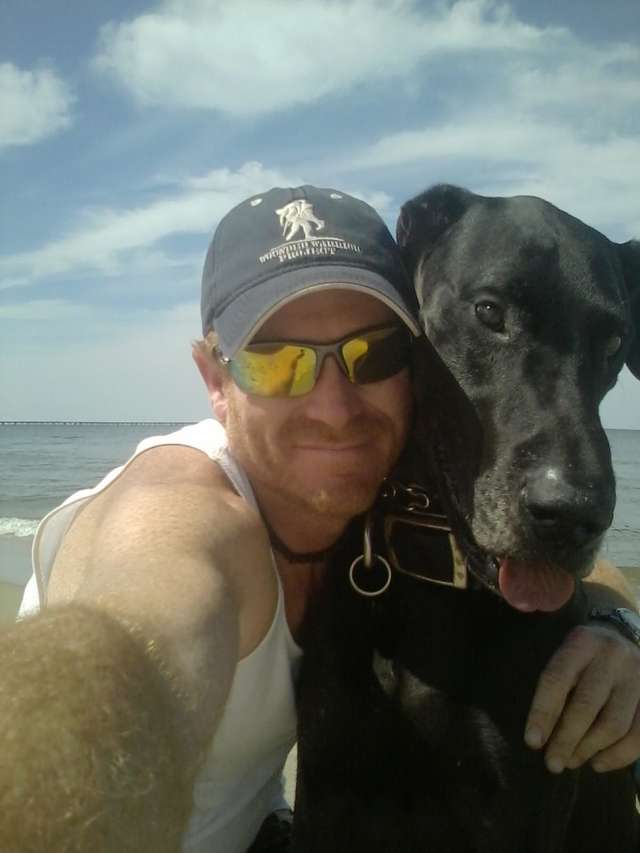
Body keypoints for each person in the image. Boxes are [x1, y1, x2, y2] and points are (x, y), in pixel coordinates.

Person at [4, 185, 640, 853]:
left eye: (374, 354)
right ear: (215, 379)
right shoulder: (183, 504)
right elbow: (137, 646)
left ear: (415, 348)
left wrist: (614, 621)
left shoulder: (388, 495)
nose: (336, 410)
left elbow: (570, 558)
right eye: (277, 362)